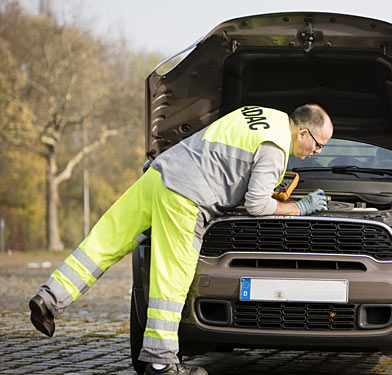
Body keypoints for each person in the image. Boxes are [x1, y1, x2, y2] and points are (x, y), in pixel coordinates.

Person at [28, 104, 333, 375]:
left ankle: (48, 299)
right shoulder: (276, 148)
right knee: (172, 278)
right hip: (186, 198)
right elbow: (257, 205)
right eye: (319, 144)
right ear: (303, 132)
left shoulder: (262, 114)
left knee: (106, 239)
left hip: (161, 174)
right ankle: (161, 362)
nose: (318, 152)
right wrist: (300, 207)